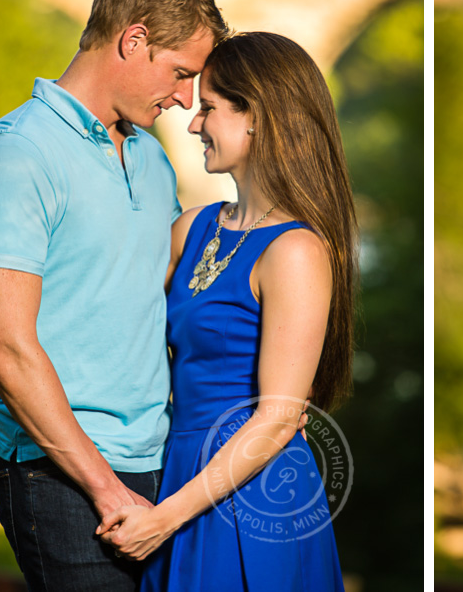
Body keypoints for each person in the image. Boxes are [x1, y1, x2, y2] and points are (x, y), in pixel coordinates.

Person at [0, 0, 228, 591]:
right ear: (133, 41)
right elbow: (4, 345)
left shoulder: (154, 160)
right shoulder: (18, 156)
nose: (186, 97)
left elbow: (159, 302)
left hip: (157, 463)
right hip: (60, 473)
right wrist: (105, 490)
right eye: (181, 73)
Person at [95, 32, 356, 592]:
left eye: (209, 108)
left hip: (252, 489)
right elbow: (117, 319)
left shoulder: (297, 252)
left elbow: (279, 416)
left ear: (257, 117)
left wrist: (161, 520)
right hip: (179, 470)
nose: (192, 123)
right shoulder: (194, 228)